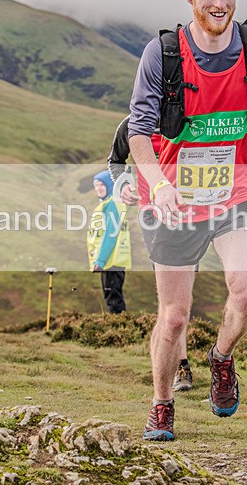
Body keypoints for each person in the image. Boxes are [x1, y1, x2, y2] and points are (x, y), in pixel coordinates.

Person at [128, 0, 247, 441]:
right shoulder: (162, 54)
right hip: (172, 200)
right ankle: (162, 405)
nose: (220, 3)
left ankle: (221, 358)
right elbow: (140, 131)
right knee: (175, 315)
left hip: (235, 193)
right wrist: (159, 185)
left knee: (246, 296)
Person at [108, 116, 194, 392]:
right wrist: (123, 185)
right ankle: (180, 366)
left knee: (181, 298)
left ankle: (167, 360)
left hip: (194, 215)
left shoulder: (192, 114)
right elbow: (115, 160)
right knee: (172, 300)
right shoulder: (132, 123)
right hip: (153, 215)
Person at [86, 170, 132, 314]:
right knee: (113, 297)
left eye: (102, 184)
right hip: (113, 260)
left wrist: (100, 260)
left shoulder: (111, 204)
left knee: (113, 299)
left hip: (111, 260)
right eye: (96, 185)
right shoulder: (110, 203)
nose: (98, 188)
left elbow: (110, 235)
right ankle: (120, 327)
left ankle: (119, 330)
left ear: (110, 186)